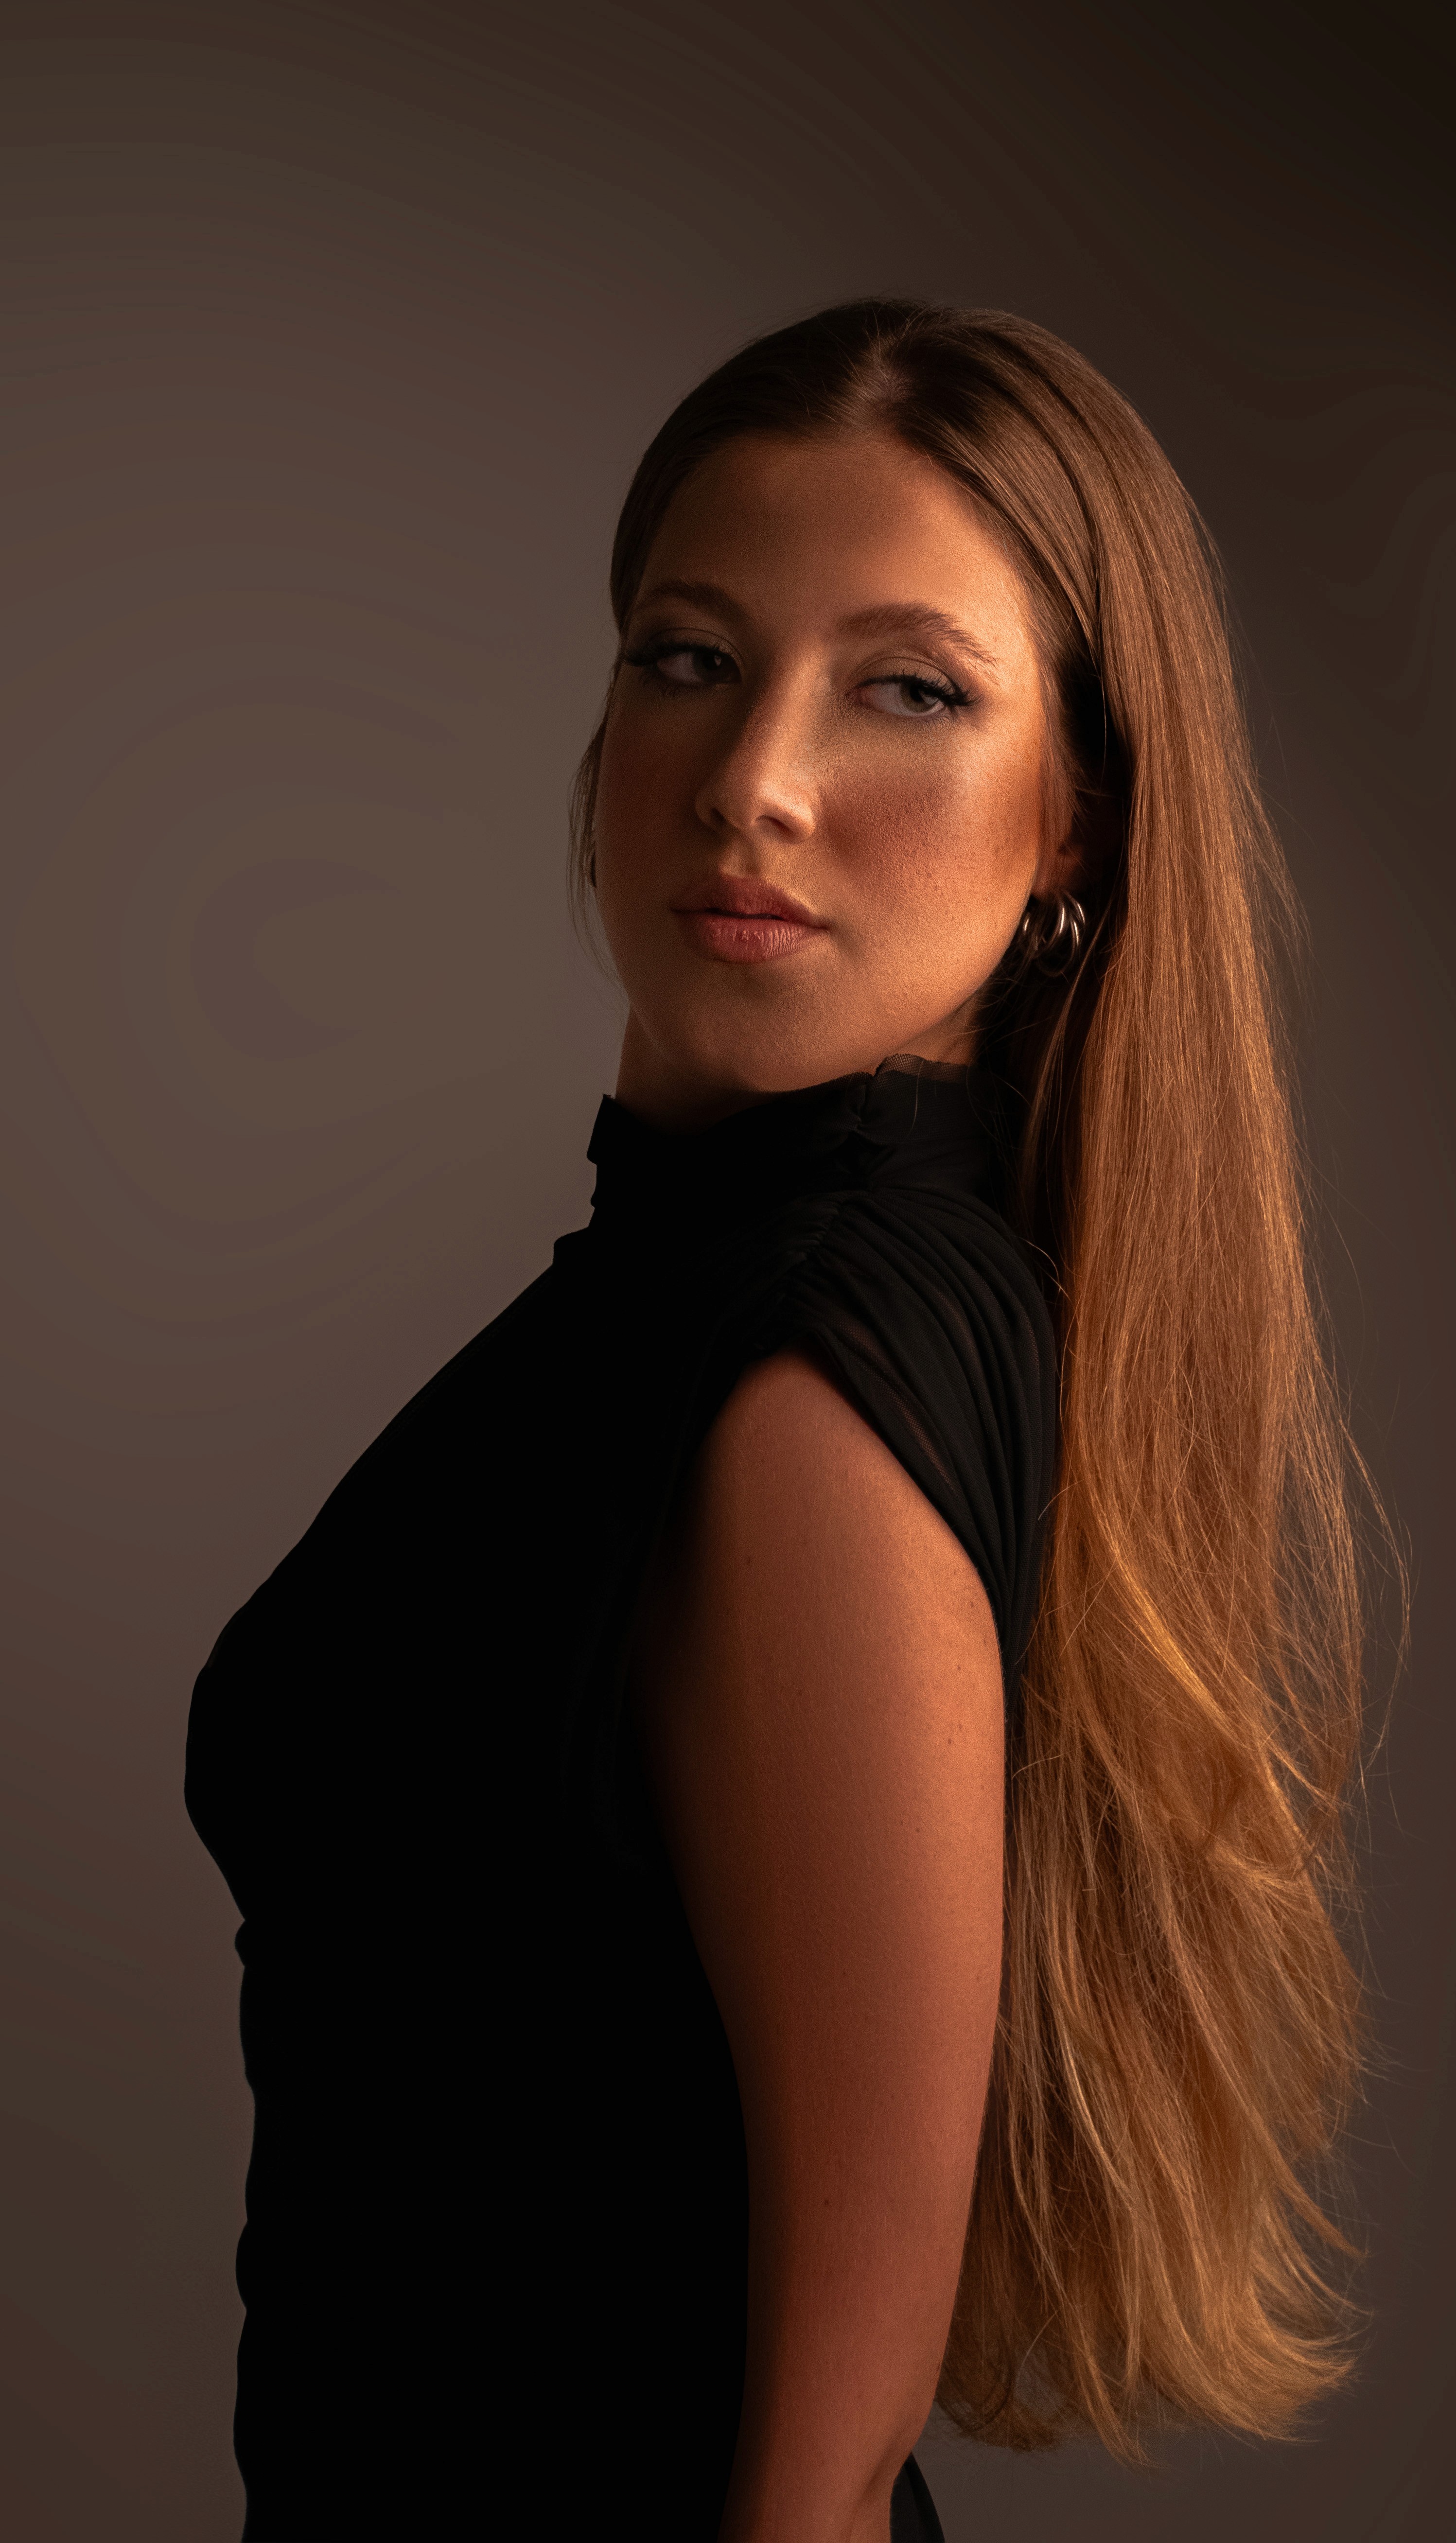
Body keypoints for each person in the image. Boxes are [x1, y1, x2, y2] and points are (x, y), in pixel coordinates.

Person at [185, 300, 1369, 2541]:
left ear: (1076, 818)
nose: (751, 779)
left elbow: (822, 2460)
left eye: (907, 689)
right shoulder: (679, 1300)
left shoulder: (811, 1366)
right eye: (691, 656)